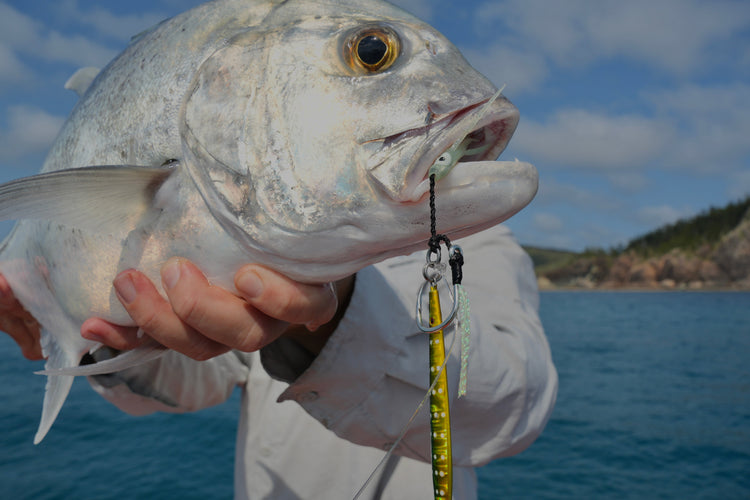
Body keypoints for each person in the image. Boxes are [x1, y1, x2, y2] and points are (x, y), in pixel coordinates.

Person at [0, 224, 557, 499]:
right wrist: (108, 337)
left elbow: (512, 406)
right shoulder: (262, 241)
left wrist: (329, 319)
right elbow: (203, 376)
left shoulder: (477, 240)